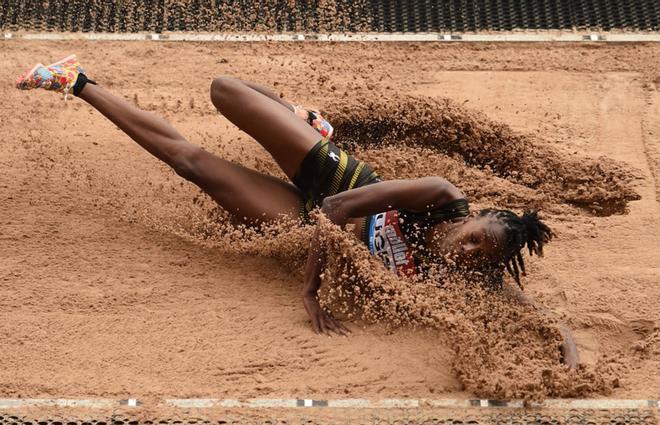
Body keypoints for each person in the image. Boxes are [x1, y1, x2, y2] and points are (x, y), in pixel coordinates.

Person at [16, 55, 579, 368]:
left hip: (303, 224)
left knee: (192, 164)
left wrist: (574, 360)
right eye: (477, 236)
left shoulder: (472, 279)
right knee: (224, 89)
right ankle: (307, 119)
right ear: (471, 217)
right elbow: (335, 210)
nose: (470, 250)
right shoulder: (437, 195)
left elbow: (539, 319)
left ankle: (76, 79)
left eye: (482, 256)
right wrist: (312, 291)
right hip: (336, 184)